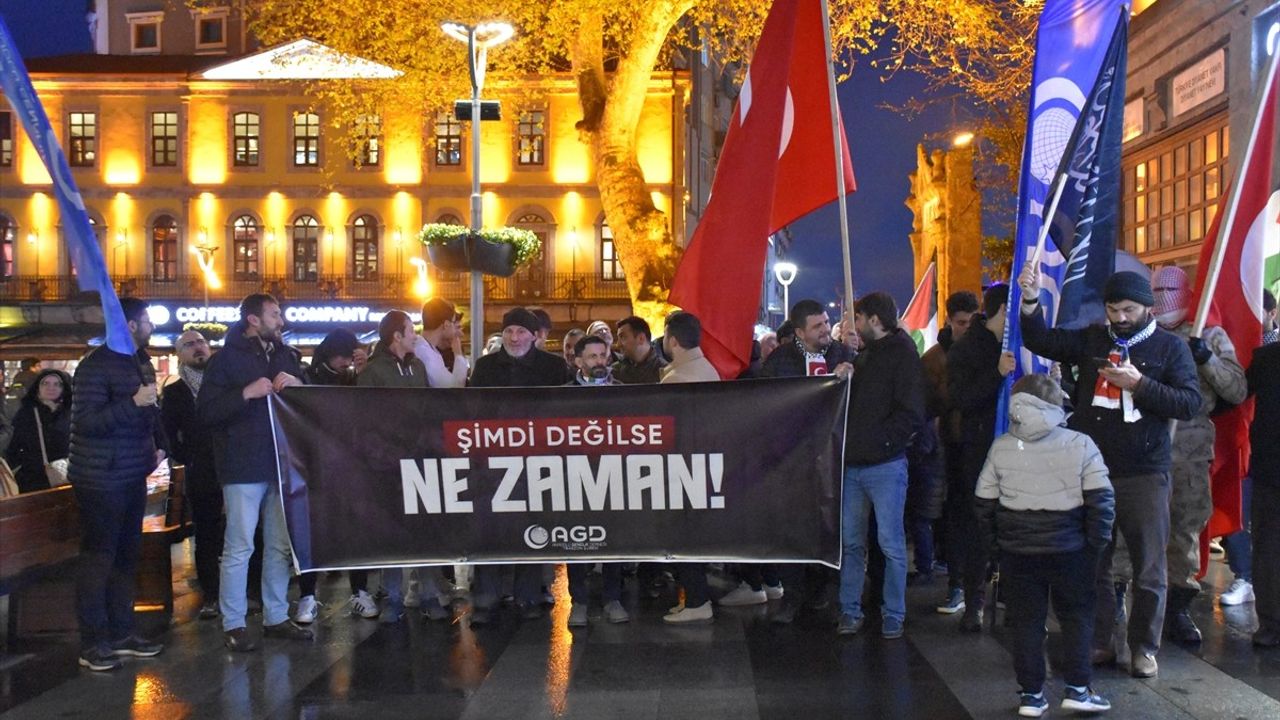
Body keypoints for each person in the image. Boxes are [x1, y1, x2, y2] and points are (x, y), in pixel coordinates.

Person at [1018, 266, 1200, 678]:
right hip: (1092, 470)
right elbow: (1041, 340)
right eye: (1113, 309)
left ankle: (1144, 648)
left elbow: (1189, 403)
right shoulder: (1093, 339)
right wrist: (1030, 301)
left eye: (1129, 310)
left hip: (1145, 473)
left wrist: (1140, 384)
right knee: (1093, 562)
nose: (1119, 318)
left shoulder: (1171, 349)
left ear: (1148, 309)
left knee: (1149, 566)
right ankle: (1101, 640)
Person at [975, 374, 1115, 717]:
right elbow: (1102, 501)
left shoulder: (1001, 446)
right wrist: (1095, 546)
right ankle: (1079, 689)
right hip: (1071, 549)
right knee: (1078, 617)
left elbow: (983, 505)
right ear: (1056, 406)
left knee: (1026, 623)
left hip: (1018, 552)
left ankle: (1031, 697)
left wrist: (996, 546)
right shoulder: (1081, 443)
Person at [199, 293, 314, 652]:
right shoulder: (226, 361)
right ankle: (233, 621)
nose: (280, 320)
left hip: (280, 463)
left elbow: (308, 403)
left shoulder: (285, 355)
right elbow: (206, 412)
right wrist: (245, 394)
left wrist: (298, 386)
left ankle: (276, 615)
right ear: (253, 319)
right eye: (275, 314)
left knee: (279, 545)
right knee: (240, 545)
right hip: (243, 464)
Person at [1147, 266, 1246, 645]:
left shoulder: (1208, 333)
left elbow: (1236, 389)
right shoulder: (1142, 333)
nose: (1162, 297)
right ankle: (1133, 606)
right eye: (1156, 290)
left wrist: (1206, 358)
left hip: (1189, 453)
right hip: (1147, 449)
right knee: (1135, 533)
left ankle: (1178, 609)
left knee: (1183, 534)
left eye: (1170, 290)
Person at [68, 297, 166, 671]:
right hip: (100, 478)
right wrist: (134, 402)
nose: (151, 327)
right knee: (99, 559)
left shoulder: (137, 362)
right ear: (128, 324)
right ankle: (93, 642)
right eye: (146, 321)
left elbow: (147, 413)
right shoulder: (94, 367)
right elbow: (89, 422)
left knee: (126, 557)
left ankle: (123, 633)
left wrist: (157, 446)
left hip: (130, 472)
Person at [469, 308, 573, 625]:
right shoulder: (485, 367)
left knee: (533, 524)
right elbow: (471, 411)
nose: (514, 338)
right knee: (491, 526)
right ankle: (487, 594)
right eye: (510, 332)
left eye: (521, 332)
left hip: (539, 460)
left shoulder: (554, 367)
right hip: (494, 462)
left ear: (534, 335)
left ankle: (528, 593)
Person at [759, 300, 854, 623]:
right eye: (818, 326)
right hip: (793, 460)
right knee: (793, 529)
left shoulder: (842, 354)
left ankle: (826, 589)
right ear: (799, 331)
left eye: (826, 323)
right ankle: (793, 594)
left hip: (834, 457)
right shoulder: (779, 361)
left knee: (831, 526)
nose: (826, 329)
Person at [837, 292, 924, 640]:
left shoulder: (902, 356)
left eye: (858, 319)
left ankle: (893, 612)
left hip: (885, 465)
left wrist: (883, 443)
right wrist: (845, 375)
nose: (855, 327)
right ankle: (849, 608)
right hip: (856, 464)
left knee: (889, 543)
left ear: (874, 320)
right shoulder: (866, 355)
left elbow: (911, 413)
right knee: (853, 543)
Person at [945, 284, 1016, 631]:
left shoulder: (1017, 344)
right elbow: (963, 399)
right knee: (978, 528)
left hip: (1018, 450)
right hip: (981, 450)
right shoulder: (966, 350)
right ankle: (974, 601)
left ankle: (1013, 599)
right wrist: (997, 375)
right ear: (1003, 310)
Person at [358, 310, 433, 623]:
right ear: (397, 336)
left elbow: (428, 406)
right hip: (386, 463)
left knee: (427, 526)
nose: (416, 335)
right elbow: (365, 419)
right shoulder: (373, 372)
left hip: (419, 458)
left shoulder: (416, 366)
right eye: (410, 330)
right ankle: (392, 596)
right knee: (391, 529)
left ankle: (428, 594)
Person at [294, 328, 363, 624]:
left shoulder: (353, 377)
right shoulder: (308, 378)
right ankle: (307, 594)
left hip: (350, 463)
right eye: (342, 357)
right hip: (316, 464)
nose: (344, 363)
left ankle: (360, 591)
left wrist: (362, 371)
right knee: (313, 530)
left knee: (358, 529)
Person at [564, 334, 630, 627]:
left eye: (603, 355)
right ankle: (578, 601)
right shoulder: (561, 395)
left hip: (613, 475)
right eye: (592, 357)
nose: (599, 361)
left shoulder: (623, 392)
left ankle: (613, 598)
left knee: (614, 538)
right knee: (576, 540)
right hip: (575, 477)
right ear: (578, 361)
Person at [660, 311, 722, 624]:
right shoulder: (706, 370)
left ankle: (697, 602)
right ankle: (696, 600)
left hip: (684, 470)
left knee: (685, 537)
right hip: (700, 468)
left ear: (673, 340)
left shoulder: (678, 379)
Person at [160, 330, 225, 620]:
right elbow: (168, 433)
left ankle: (248, 593)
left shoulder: (224, 382)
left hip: (235, 465)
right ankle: (212, 594)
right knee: (208, 533)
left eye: (200, 342)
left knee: (245, 532)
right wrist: (188, 457)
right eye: (189, 345)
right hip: (202, 472)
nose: (198, 348)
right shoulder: (175, 391)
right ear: (180, 355)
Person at [1220, 289, 1279, 608]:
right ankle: (1266, 615)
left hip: (1267, 459)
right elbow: (1236, 393)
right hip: (1260, 459)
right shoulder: (1260, 356)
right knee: (1260, 539)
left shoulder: (1268, 355)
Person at [921, 291, 978, 601]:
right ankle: (956, 582)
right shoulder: (933, 359)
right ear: (949, 321)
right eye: (961, 323)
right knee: (954, 514)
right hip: (950, 446)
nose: (966, 328)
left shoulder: (986, 350)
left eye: (971, 322)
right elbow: (926, 405)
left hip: (981, 445)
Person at [1245, 331, 1280, 647]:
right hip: (1271, 471)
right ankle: (1271, 623)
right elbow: (1235, 393)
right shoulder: (1267, 359)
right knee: (1268, 553)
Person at [6, 368, 72, 494]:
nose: (50, 388)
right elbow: (14, 445)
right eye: (45, 383)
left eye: (57, 384)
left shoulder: (70, 413)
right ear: (37, 387)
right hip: (33, 478)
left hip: (67, 476)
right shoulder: (27, 413)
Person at [416, 297, 469, 389]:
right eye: (453, 323)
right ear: (446, 325)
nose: (460, 333)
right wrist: (458, 354)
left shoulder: (427, 348)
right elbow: (454, 388)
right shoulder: (425, 353)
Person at [612, 315, 667, 384]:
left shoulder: (664, 372)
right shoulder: (615, 371)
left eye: (622, 337)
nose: (618, 344)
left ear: (641, 338)